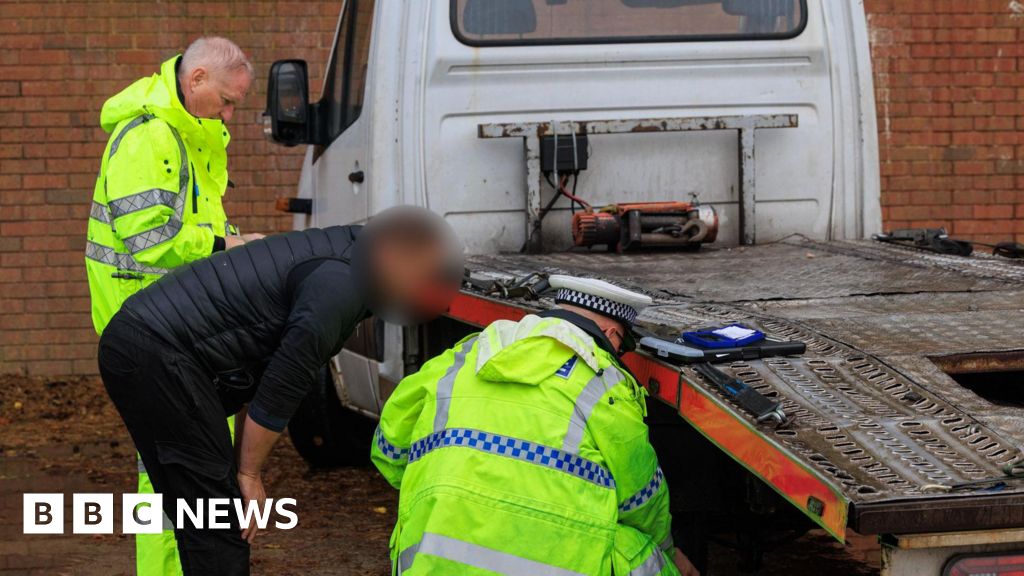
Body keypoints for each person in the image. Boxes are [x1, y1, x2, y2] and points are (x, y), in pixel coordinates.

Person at [98, 207, 463, 576]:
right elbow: (280, 386)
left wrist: (243, 466)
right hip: (156, 353)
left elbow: (257, 376)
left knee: (207, 515)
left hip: (150, 348)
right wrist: (249, 475)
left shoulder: (351, 257)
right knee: (218, 522)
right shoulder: (341, 289)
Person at [372, 275, 700, 576]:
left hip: (432, 564)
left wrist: (442, 484)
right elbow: (641, 501)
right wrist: (669, 552)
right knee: (643, 554)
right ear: (613, 334)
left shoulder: (461, 356)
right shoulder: (604, 386)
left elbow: (389, 448)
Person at [84, 37, 260, 576]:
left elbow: (195, 218)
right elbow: (149, 238)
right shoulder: (150, 135)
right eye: (228, 101)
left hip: (172, 320)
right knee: (170, 465)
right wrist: (226, 248)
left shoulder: (187, 132)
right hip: (150, 324)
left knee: (188, 458)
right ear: (198, 78)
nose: (231, 113)